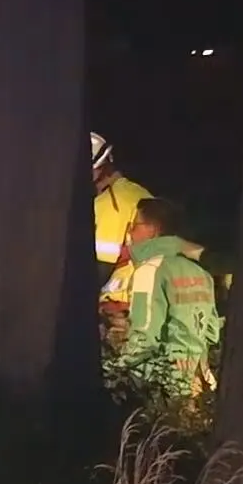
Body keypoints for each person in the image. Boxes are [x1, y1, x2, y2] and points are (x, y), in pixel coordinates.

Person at [120, 197, 224, 396]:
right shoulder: (200, 272)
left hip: (164, 385)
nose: (130, 233)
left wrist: (114, 372)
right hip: (198, 380)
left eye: (134, 226)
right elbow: (211, 332)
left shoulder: (150, 270)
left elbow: (144, 339)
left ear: (152, 229)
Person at [92, 132, 154, 349]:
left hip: (119, 309)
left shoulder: (109, 204)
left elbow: (100, 266)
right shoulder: (138, 192)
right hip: (148, 302)